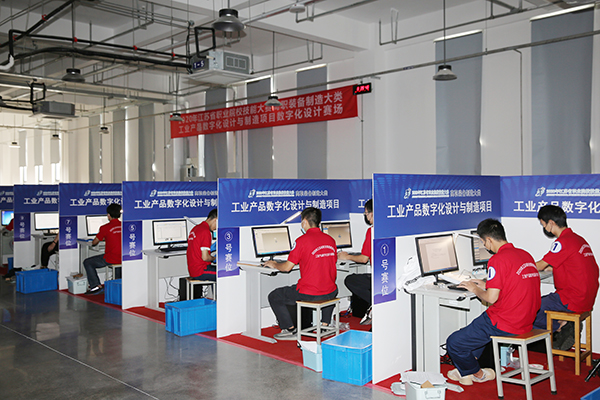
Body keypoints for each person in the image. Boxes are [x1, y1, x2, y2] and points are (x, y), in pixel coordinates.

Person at [446, 218, 541, 386]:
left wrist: (475, 289)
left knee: (454, 342)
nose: (485, 246)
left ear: (489, 240)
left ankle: (479, 373)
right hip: (526, 319)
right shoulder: (525, 255)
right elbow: (513, 283)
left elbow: (491, 298)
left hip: (506, 322)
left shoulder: (497, 260)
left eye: (483, 242)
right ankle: (466, 369)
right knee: (476, 328)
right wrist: (486, 284)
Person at [533, 205, 599, 349]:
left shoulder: (562, 242)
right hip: (587, 299)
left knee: (530, 308)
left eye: (543, 225)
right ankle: (563, 325)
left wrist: (519, 266)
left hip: (572, 298)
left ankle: (561, 326)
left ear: (551, 223)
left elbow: (540, 265)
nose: (544, 228)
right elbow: (572, 265)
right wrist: (552, 268)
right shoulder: (579, 240)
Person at [266, 207, 338, 341]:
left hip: (310, 293)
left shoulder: (301, 241)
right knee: (329, 287)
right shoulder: (330, 240)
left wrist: (274, 264)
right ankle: (325, 325)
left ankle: (290, 329)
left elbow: (287, 267)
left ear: (304, 222)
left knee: (275, 296)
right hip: (330, 291)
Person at [339, 199, 373, 324]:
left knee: (350, 280)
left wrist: (347, 256)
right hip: (389, 277)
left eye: (366, 213)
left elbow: (363, 259)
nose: (366, 216)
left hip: (378, 278)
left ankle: (374, 303)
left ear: (372, 213)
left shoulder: (372, 231)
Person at [84, 203, 122, 295]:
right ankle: (118, 284)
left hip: (111, 258)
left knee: (87, 262)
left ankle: (95, 286)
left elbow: (94, 242)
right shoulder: (124, 226)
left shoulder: (104, 228)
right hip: (123, 257)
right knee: (118, 258)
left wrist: (96, 240)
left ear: (108, 215)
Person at [187, 209, 217, 282]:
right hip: (201, 271)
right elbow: (205, 257)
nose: (216, 229)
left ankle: (213, 290)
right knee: (226, 273)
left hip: (193, 270)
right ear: (216, 220)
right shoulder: (205, 231)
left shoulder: (195, 228)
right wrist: (214, 258)